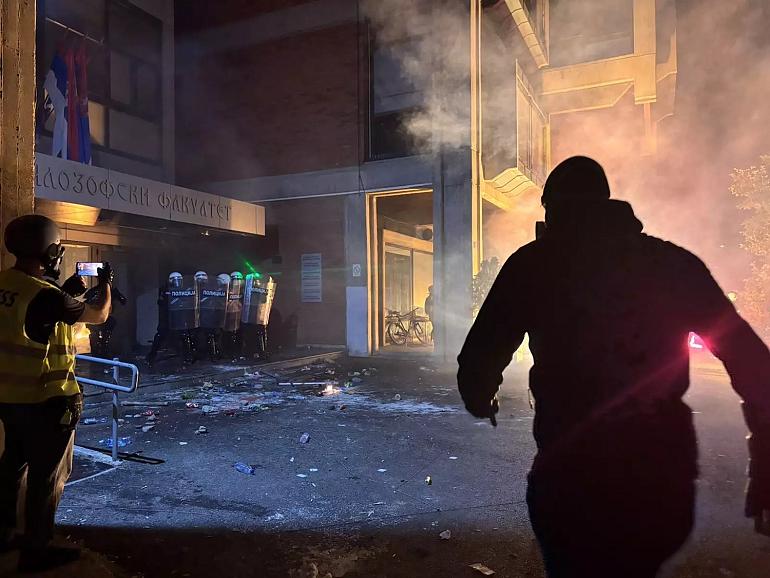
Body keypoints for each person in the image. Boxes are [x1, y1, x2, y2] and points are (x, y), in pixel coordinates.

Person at [457, 157, 770, 578]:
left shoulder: (534, 264)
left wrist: (482, 398)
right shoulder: (671, 263)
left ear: (552, 208)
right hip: (661, 476)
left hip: (572, 476)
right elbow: (751, 361)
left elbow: (479, 357)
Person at [0, 214, 112, 572]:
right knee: (45, 478)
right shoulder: (48, 296)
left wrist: (65, 290)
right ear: (49, 252)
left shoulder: (7, 284)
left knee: (11, 468)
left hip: (9, 398)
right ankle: (36, 549)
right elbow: (98, 315)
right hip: (48, 399)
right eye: (58, 248)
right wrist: (106, 285)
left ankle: (4, 534)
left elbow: (36, 316)